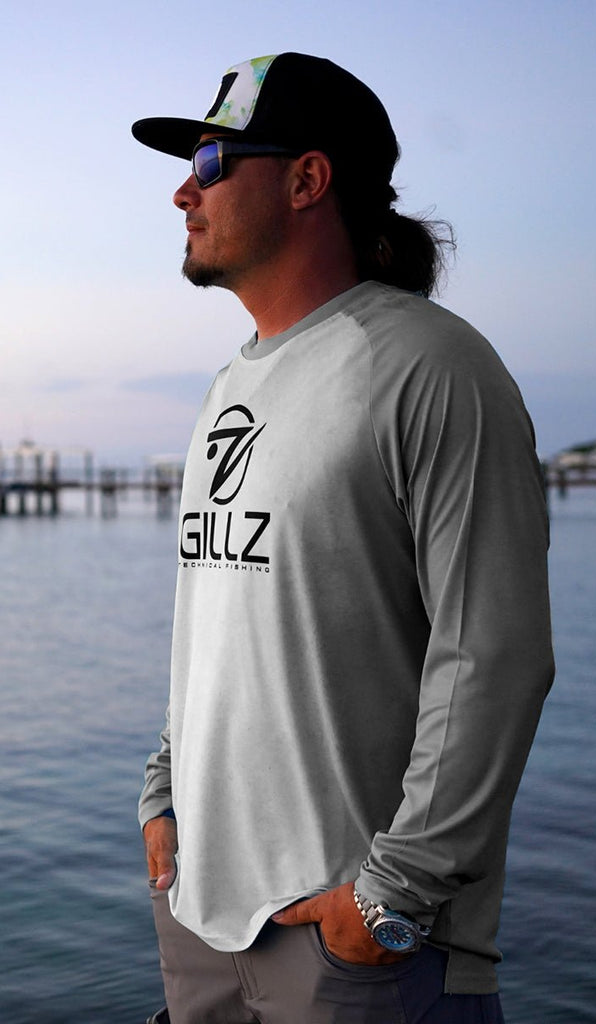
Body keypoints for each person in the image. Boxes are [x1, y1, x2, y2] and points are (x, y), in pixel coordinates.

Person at [133, 53, 554, 1024]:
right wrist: (163, 794)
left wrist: (391, 896)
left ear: (307, 179)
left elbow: (494, 654)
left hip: (354, 946)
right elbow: (218, 622)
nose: (182, 192)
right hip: (201, 918)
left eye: (211, 164)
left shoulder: (428, 367)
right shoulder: (230, 384)